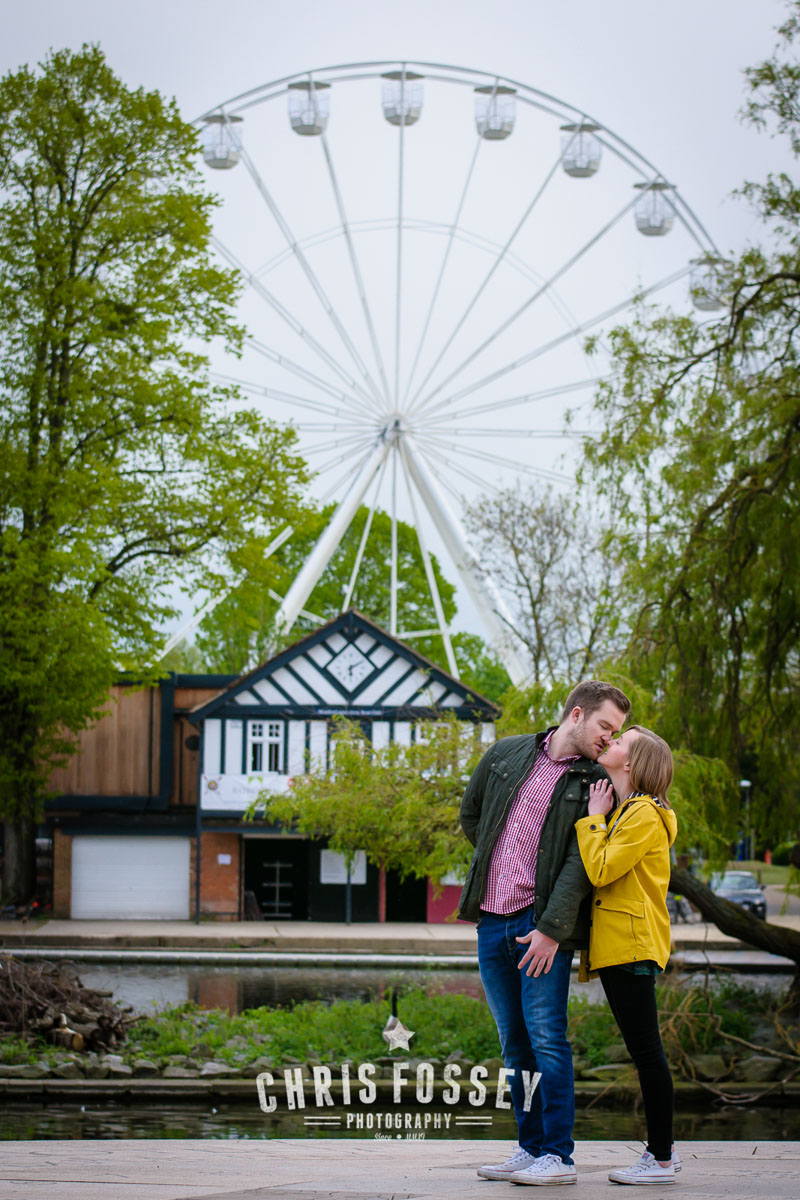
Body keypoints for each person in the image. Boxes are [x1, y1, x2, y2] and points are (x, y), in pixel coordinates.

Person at [459, 680, 631, 1186]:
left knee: (547, 1040)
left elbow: (583, 863)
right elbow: (473, 816)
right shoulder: (506, 753)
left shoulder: (596, 780)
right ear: (576, 715)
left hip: (541, 928)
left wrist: (552, 930)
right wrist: (501, 860)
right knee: (514, 1044)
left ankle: (558, 1156)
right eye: (605, 726)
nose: (609, 738)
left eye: (616, 731)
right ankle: (528, 1146)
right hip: (491, 921)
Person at [575, 725, 679, 1186]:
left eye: (620, 742)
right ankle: (660, 1157)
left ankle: (660, 1160)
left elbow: (600, 869)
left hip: (632, 946)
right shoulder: (630, 810)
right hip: (623, 945)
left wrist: (594, 817)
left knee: (648, 1054)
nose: (610, 743)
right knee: (645, 1052)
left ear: (634, 764)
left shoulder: (641, 814)